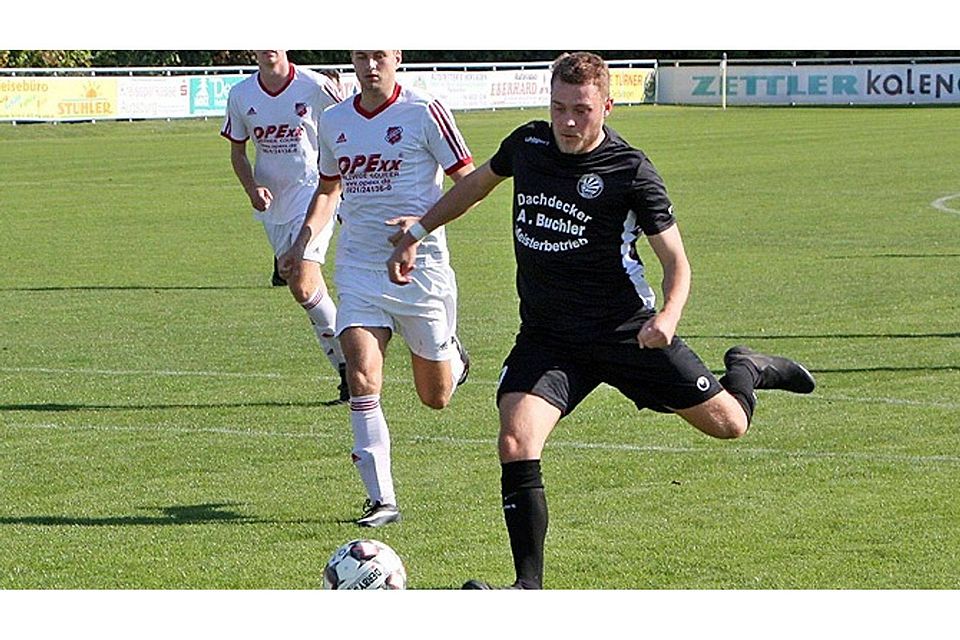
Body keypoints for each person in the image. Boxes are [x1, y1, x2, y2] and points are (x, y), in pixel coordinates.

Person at [387, 52, 816, 588]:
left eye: (582, 110)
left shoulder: (630, 171)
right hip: (548, 337)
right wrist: (417, 230)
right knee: (516, 440)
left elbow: (676, 263)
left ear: (607, 106)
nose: (567, 122)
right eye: (559, 107)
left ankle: (748, 368)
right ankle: (527, 587)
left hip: (626, 333)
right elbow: (475, 186)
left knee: (730, 425)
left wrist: (668, 316)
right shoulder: (528, 144)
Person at [279, 50, 475, 528]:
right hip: (360, 266)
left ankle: (452, 356)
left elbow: (469, 183)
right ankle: (381, 499)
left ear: (397, 57)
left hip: (420, 269)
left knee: (435, 397)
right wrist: (302, 244)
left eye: (379, 56)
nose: (370, 66)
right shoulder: (334, 119)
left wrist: (420, 227)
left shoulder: (424, 111)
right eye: (361, 56)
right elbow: (328, 189)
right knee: (362, 374)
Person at [221, 50, 349, 404]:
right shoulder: (241, 94)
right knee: (301, 289)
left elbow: (350, 125)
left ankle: (354, 369)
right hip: (274, 206)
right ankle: (348, 365)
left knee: (304, 282)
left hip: (314, 194)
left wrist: (347, 187)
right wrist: (251, 188)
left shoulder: (315, 85)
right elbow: (237, 153)